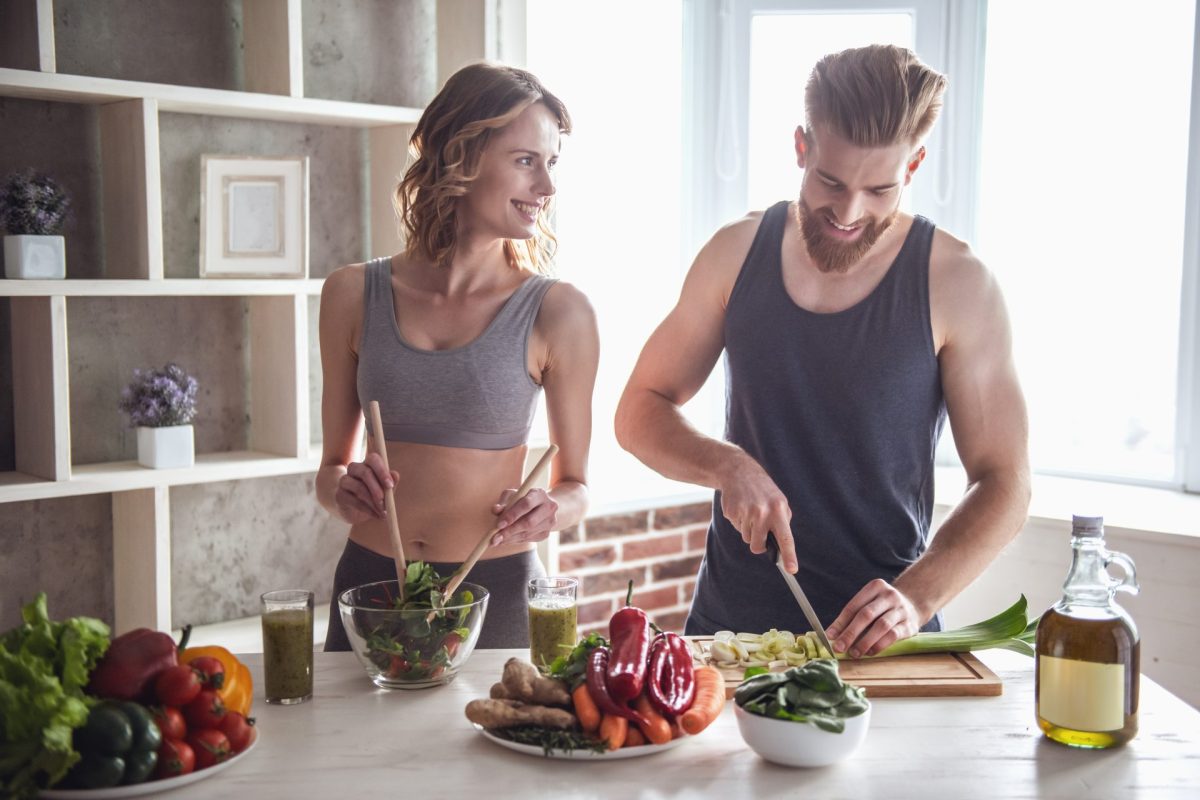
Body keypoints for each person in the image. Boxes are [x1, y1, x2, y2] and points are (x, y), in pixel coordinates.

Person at [615, 45, 1030, 658]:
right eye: (830, 182)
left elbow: (1006, 482)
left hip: (878, 645)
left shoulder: (959, 283)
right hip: (728, 636)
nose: (848, 212)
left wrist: (916, 598)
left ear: (912, 167)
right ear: (801, 147)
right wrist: (727, 465)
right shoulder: (734, 253)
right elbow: (638, 411)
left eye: (879, 190)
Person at [316, 63, 599, 651]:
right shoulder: (350, 293)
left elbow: (576, 485)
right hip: (371, 586)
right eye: (526, 161)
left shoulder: (559, 312)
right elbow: (330, 473)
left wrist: (551, 510)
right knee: (357, 748)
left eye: (551, 164)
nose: (546, 188)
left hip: (494, 589)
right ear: (460, 157)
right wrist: (342, 489)